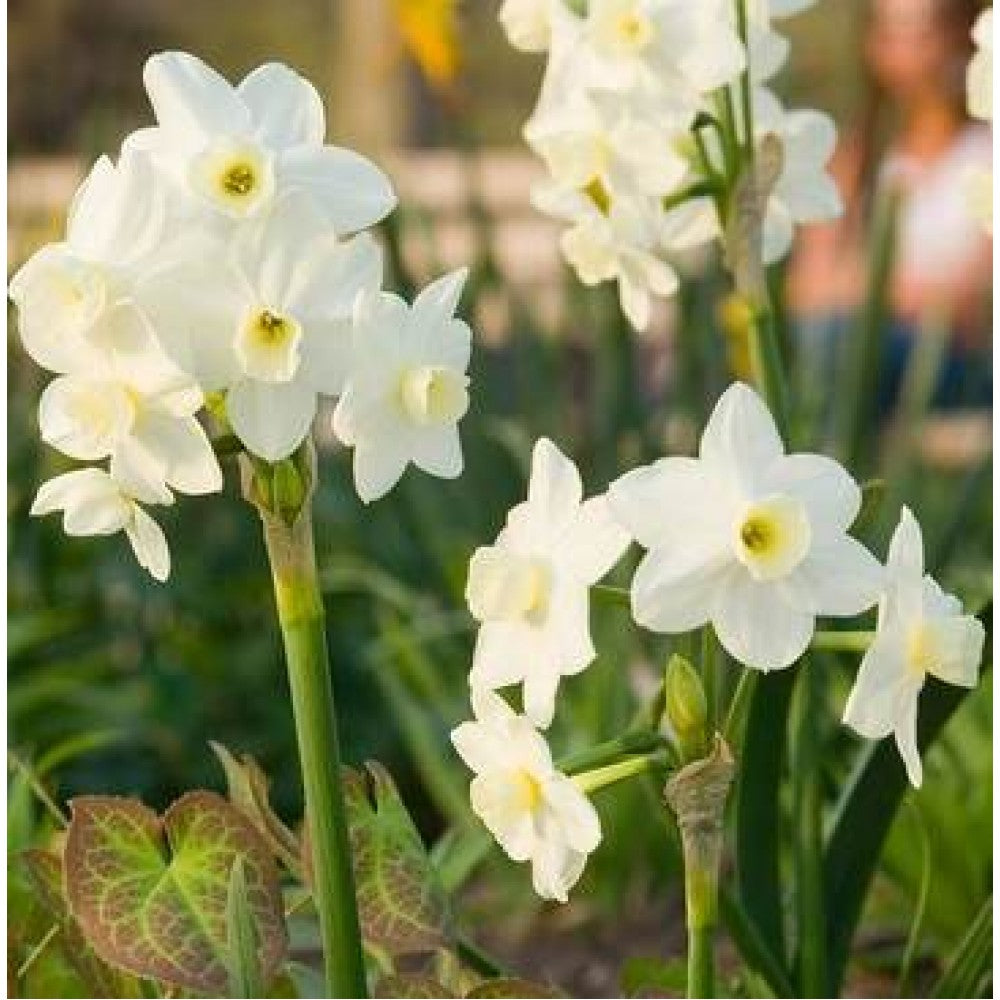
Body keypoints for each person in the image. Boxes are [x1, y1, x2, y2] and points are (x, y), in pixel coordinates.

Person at [786, 0, 992, 414]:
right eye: (889, 34)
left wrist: (865, 288)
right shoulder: (856, 159)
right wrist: (910, 293)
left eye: (922, 34)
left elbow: (977, 300)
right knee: (826, 344)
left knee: (833, 345)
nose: (905, 54)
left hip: (959, 362)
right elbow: (805, 291)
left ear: (961, 34)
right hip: (855, 351)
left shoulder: (986, 153)